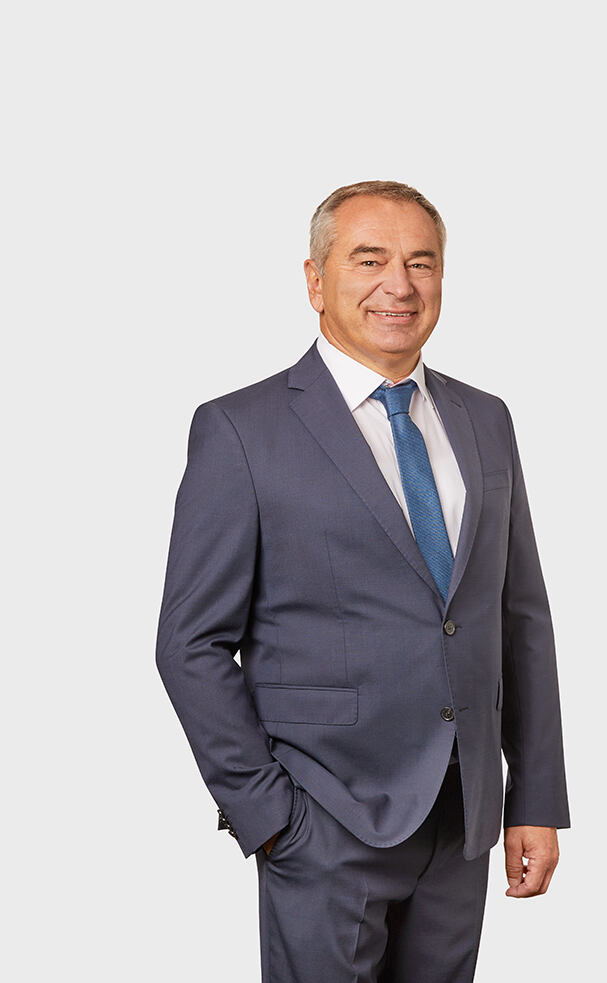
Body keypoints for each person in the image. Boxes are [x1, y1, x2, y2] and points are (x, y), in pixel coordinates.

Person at [155, 179, 570, 982]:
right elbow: (189, 643)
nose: (399, 285)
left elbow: (519, 617)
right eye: (370, 260)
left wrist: (536, 798)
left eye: (422, 262)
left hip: (463, 820)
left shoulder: (486, 419)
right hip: (323, 820)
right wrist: (269, 814)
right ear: (316, 280)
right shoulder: (240, 429)